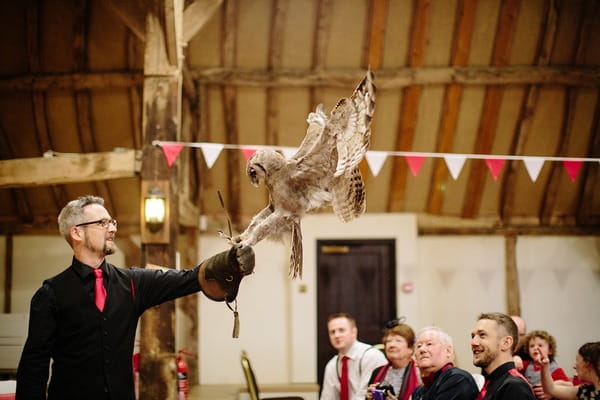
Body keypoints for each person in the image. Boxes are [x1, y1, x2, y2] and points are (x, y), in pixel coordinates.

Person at [16, 195, 255, 400]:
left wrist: (229, 261)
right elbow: (33, 367)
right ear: (76, 233)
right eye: (102, 223)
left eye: (112, 222)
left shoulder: (132, 283)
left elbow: (190, 277)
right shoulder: (50, 294)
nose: (112, 229)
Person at [321, 312, 387, 400]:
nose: (336, 335)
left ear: (354, 332)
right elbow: (327, 398)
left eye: (341, 330)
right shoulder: (332, 365)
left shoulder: (371, 356)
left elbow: (365, 396)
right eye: (332, 332)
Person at [471, 312, 536, 400]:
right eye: (473, 336)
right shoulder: (492, 383)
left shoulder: (514, 387)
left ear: (506, 343)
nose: (473, 342)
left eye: (482, 335)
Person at [411, 326, 479, 400]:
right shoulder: (418, 391)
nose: (422, 349)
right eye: (419, 346)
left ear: (448, 351)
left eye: (429, 344)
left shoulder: (457, 379)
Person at [365, 318, 421, 400]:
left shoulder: (419, 372)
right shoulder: (377, 372)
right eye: (388, 341)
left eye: (398, 341)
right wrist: (369, 397)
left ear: (411, 348)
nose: (392, 345)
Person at [521, 330, 570, 399]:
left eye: (540, 345)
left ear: (550, 351)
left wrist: (554, 392)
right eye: (532, 346)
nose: (536, 348)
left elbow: (569, 386)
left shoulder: (555, 369)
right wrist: (516, 358)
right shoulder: (526, 365)